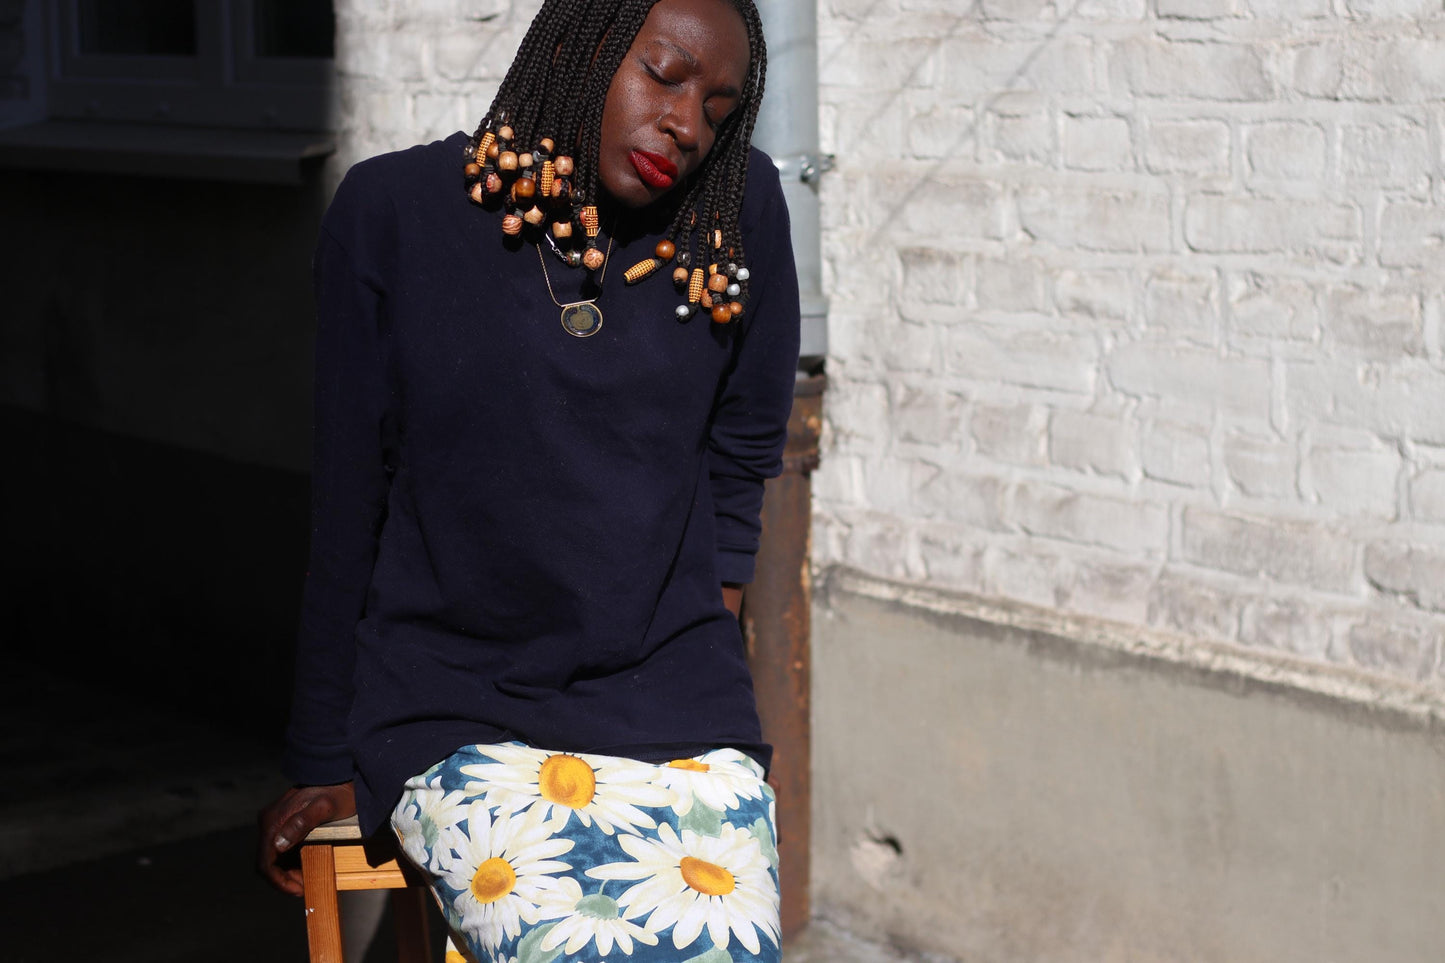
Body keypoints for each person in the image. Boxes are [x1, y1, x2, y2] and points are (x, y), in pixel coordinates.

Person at [256, 0, 800, 960]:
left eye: (718, 108)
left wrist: (712, 674)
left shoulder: (735, 212)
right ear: (579, 46)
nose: (688, 125)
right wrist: (320, 755)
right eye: (665, 76)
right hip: (457, 704)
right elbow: (347, 501)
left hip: (674, 706)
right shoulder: (391, 216)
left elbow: (740, 458)